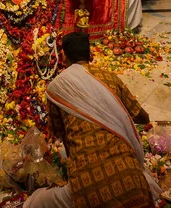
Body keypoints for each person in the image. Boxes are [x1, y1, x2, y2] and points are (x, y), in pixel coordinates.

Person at [24, 32, 160, 208]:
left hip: (87, 189)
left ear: (64, 56)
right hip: (134, 184)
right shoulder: (110, 78)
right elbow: (142, 117)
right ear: (90, 55)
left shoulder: (56, 88)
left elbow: (59, 134)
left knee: (35, 201)